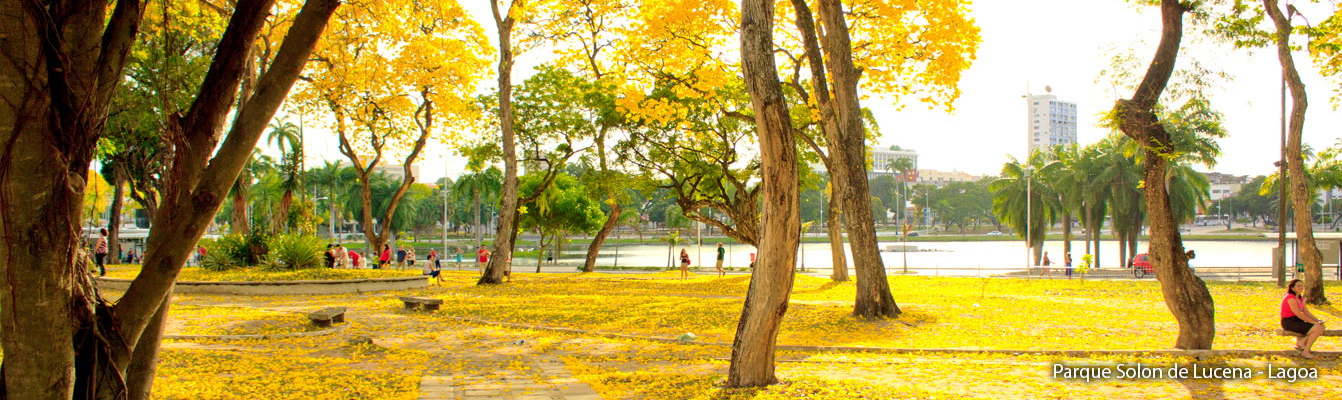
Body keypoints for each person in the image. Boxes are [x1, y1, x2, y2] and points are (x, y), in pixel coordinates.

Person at [1282, 279, 1326, 359]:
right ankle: (1306, 352)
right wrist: (1314, 323)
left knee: (1321, 326)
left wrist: (1317, 320)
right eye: (1298, 286)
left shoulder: (1300, 298)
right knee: (1317, 328)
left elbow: (1306, 312)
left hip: (1297, 320)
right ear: (1292, 288)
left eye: (1302, 285)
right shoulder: (1290, 298)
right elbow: (1299, 314)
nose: (1301, 287)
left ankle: (1302, 342)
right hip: (1289, 322)